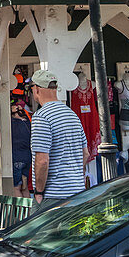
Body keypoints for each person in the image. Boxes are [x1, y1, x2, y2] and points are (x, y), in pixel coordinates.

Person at [30, 69, 88, 207]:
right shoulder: (72, 115)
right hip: (76, 192)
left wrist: (39, 192)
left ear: (37, 89)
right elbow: (85, 153)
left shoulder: (42, 117)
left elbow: (42, 160)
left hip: (54, 195)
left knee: (37, 229)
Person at [11, 100, 32, 197]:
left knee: (16, 187)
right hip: (27, 157)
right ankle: (28, 212)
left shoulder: (12, 124)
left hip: (16, 157)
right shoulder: (28, 123)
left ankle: (20, 212)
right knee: (25, 187)